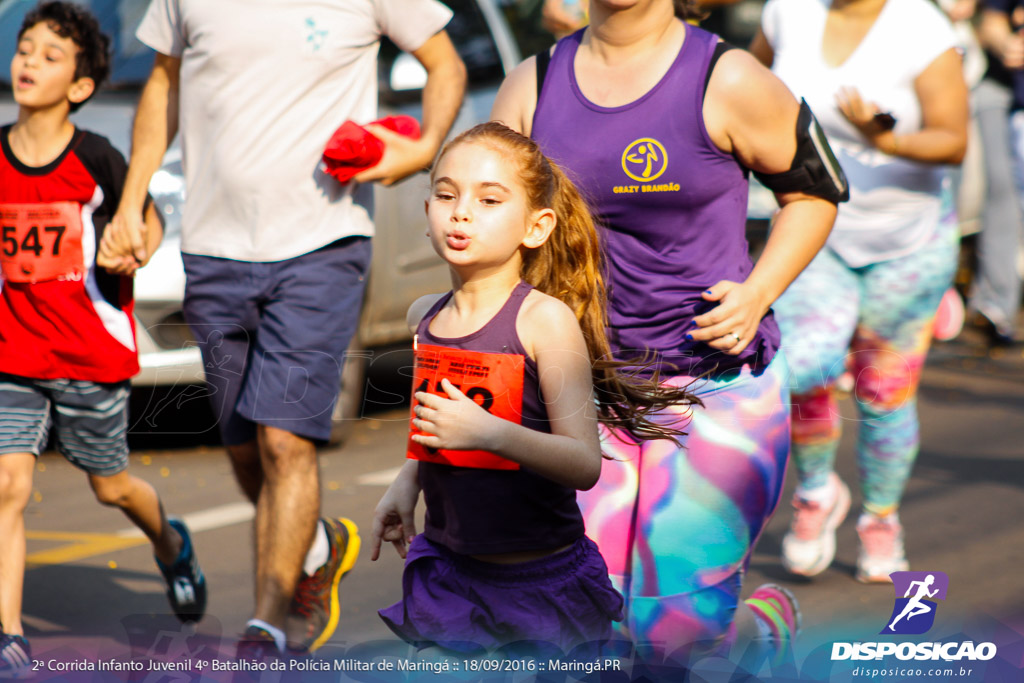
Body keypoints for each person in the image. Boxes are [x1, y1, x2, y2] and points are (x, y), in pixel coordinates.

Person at [100, 0, 467, 658]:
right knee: (244, 445)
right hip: (212, 247)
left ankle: (268, 622)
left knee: (284, 440)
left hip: (323, 244)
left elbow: (444, 62)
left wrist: (420, 148)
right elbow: (163, 79)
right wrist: (132, 200)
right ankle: (318, 545)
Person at [490, 0, 843, 668]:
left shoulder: (726, 78)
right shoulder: (531, 85)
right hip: (580, 389)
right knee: (587, 617)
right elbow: (492, 226)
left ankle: (756, 638)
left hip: (713, 384)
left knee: (674, 633)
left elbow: (816, 193)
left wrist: (758, 291)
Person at [371, 121, 704, 657]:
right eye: (446, 194)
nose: (461, 212)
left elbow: (582, 462)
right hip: (450, 570)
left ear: (536, 226)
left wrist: (489, 433)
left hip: (539, 581)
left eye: (489, 200)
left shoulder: (544, 322)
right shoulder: (424, 318)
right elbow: (437, 423)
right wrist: (406, 481)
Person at [0, 3, 205, 677]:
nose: (29, 61)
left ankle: (171, 542)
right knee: (7, 483)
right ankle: (9, 634)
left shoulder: (96, 157)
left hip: (87, 351)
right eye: (25, 48)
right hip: (12, 351)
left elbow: (140, 224)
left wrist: (132, 239)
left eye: (50, 55)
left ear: (80, 85)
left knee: (112, 488)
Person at [750, 0, 968, 582]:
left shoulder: (921, 26)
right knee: (804, 369)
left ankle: (881, 519)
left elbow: (954, 141)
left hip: (907, 242)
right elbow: (741, 95)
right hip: (816, 234)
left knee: (883, 389)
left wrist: (886, 140)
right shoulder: (786, 12)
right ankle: (818, 495)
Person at [971, 0, 1024, 346]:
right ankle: (995, 305)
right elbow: (992, 21)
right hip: (1008, 101)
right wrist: (1008, 41)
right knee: (1003, 201)